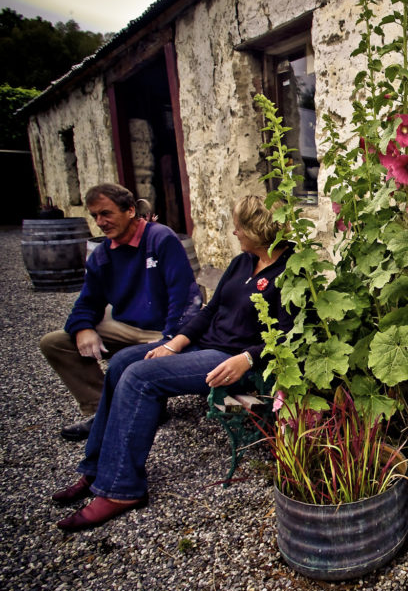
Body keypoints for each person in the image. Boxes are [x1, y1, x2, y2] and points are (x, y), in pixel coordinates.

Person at [52, 194, 293, 532]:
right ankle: (95, 470)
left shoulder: (292, 269)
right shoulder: (242, 262)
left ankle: (122, 488)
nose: (235, 233)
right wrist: (175, 343)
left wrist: (248, 357)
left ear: (257, 228)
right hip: (203, 344)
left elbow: (290, 332)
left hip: (230, 359)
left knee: (140, 378)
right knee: (122, 362)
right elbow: (210, 310)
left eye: (239, 227)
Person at [40, 183, 201, 441]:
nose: (100, 222)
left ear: (129, 211)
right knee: (56, 343)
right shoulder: (102, 255)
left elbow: (184, 297)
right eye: (95, 216)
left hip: (163, 329)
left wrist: (170, 341)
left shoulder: (160, 239)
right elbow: (86, 302)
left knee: (129, 359)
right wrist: (83, 328)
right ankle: (103, 410)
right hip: (126, 326)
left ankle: (141, 405)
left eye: (106, 213)